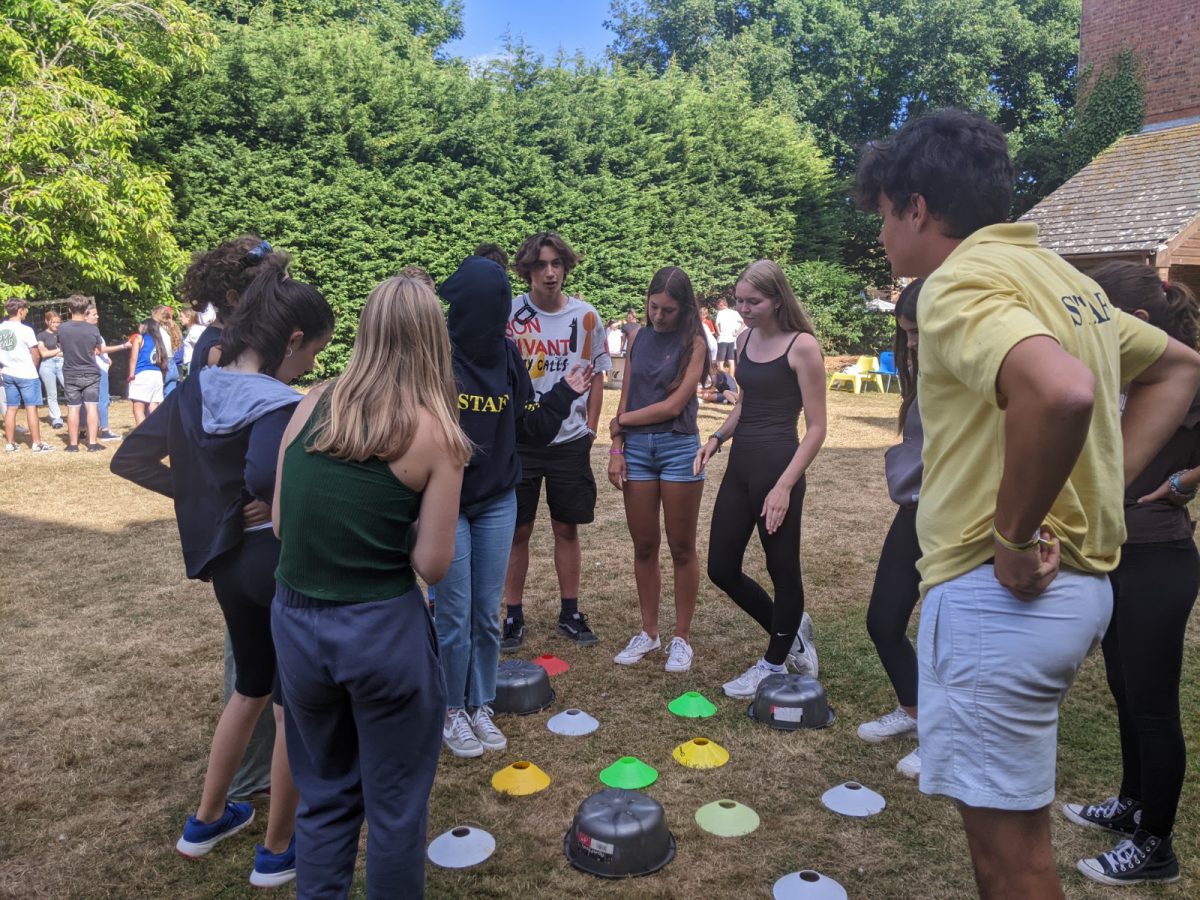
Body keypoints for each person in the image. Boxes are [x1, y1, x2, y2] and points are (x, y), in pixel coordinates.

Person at [852, 107, 1200, 898]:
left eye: (884, 215)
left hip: (1001, 598)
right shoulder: (1065, 280)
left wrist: (1012, 537)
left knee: (1011, 859)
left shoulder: (957, 284)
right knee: (1011, 845)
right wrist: (1101, 484)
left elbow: (1063, 391)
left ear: (916, 208)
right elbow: (1179, 368)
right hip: (1068, 592)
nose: (882, 235)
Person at [112, 266, 333, 888]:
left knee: (249, 687)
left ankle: (206, 821)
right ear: (292, 340)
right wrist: (254, 499)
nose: (309, 367)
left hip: (228, 565)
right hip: (275, 564)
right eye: (311, 354)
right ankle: (278, 849)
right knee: (291, 707)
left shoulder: (196, 390)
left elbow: (130, 458)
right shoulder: (279, 404)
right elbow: (266, 477)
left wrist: (210, 504)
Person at [270, 273, 468, 897]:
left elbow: (280, 523)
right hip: (381, 631)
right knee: (395, 811)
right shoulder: (437, 434)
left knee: (324, 798)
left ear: (365, 331)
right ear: (434, 340)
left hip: (296, 625)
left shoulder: (310, 403)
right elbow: (433, 564)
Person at [1062, 263, 1200, 886]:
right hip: (1118, 553)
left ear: (1136, 323)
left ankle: (1156, 847)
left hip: (1158, 558)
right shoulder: (1123, 377)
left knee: (1153, 705)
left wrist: (1184, 481)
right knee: (1125, 689)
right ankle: (1132, 803)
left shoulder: (1187, 378)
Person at [435, 255, 591, 758]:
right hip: (448, 503)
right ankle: (450, 710)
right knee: (453, 615)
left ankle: (479, 703)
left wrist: (564, 394)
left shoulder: (506, 354)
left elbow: (531, 426)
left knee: (484, 614)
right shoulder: (437, 357)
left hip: (497, 500)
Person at [180, 235, 291, 803]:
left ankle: (242, 783)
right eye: (269, 289)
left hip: (241, 542)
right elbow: (207, 444)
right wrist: (235, 497)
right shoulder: (219, 351)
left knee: (254, 665)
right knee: (252, 670)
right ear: (233, 296)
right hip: (248, 541)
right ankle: (250, 777)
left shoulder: (232, 346)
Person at [695, 260, 827, 698]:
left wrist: (784, 486)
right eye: (739, 301)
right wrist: (716, 439)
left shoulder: (802, 346)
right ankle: (791, 633)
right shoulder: (746, 339)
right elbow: (743, 405)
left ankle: (773, 662)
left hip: (778, 466)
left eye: (753, 302)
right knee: (721, 568)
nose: (743, 309)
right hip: (741, 466)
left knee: (781, 567)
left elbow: (817, 428)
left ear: (777, 300)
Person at [501, 232, 611, 650]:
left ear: (566, 267)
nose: (549, 273)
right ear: (527, 270)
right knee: (518, 530)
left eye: (556, 264)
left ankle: (570, 612)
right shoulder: (511, 314)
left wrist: (591, 428)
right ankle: (513, 615)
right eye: (540, 265)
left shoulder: (587, 316)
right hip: (522, 441)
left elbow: (597, 376)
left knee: (567, 527)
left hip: (569, 441)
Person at [608, 267, 709, 673]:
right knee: (644, 545)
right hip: (636, 451)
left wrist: (622, 423)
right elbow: (626, 395)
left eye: (668, 310)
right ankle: (649, 633)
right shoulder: (638, 338)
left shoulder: (695, 342)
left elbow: (673, 406)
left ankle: (681, 638)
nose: (658, 317)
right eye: (653, 307)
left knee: (682, 547)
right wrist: (617, 447)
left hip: (678, 447)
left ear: (684, 308)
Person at [858, 279, 923, 779]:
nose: (913, 343)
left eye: (920, 331)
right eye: (907, 334)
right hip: (919, 511)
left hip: (965, 519)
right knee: (883, 620)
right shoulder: (923, 375)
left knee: (953, 637)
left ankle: (948, 733)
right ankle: (915, 710)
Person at [1, 298, 53, 452]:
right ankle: (37, 443)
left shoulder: (1, 328)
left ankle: (10, 443)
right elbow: (35, 353)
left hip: (8, 372)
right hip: (27, 374)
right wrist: (33, 367)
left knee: (11, 408)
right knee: (31, 408)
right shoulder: (26, 330)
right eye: (25, 309)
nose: (26, 312)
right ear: (20, 311)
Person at [85, 305, 130, 442]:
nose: (97, 316)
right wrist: (124, 346)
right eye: (94, 314)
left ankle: (85, 429)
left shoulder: (81, 331)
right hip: (98, 370)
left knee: (89, 401)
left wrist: (106, 358)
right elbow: (99, 350)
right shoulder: (91, 331)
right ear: (85, 316)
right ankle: (104, 430)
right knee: (102, 400)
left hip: (92, 368)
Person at [127, 318, 168, 425]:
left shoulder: (139, 338)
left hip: (143, 374)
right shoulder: (158, 340)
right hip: (157, 375)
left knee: (138, 408)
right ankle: (155, 432)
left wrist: (131, 375)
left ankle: (142, 434)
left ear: (145, 326)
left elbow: (133, 358)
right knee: (153, 408)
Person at [36, 310, 64, 429]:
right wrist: (59, 350)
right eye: (53, 322)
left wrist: (52, 352)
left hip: (63, 364)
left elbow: (69, 350)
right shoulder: (41, 335)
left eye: (58, 322)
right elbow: (43, 353)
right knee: (52, 394)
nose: (56, 324)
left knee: (70, 389)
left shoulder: (63, 334)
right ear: (47, 322)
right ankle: (56, 418)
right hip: (47, 366)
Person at [153, 305, 183, 397]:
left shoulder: (157, 330)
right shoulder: (173, 329)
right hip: (173, 365)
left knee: (156, 398)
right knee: (170, 398)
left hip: (162, 363)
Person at [714, 296, 744, 378]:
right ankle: (732, 379)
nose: (718, 308)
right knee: (731, 361)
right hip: (732, 339)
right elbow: (743, 323)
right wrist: (737, 333)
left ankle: (725, 379)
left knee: (720, 362)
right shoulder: (734, 313)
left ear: (721, 305)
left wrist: (719, 333)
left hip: (722, 339)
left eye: (718, 306)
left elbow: (716, 324)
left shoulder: (720, 313)